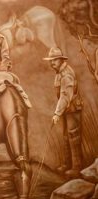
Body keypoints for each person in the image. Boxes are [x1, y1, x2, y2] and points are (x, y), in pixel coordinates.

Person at [43, 47, 83, 177]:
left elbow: (65, 96)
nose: (52, 63)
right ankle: (67, 164)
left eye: (54, 60)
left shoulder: (66, 74)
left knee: (73, 136)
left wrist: (57, 113)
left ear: (61, 60)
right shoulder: (59, 72)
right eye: (51, 60)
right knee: (66, 136)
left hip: (72, 109)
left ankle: (76, 167)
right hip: (66, 109)